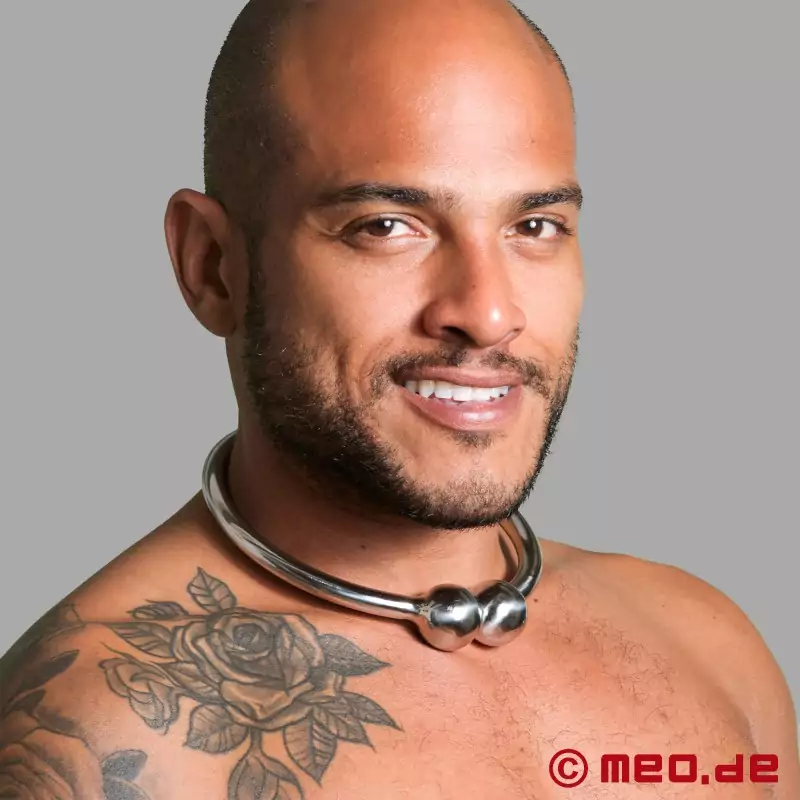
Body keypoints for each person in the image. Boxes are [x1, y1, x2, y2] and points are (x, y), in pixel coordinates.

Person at [1, 0, 797, 797]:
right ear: (212, 266)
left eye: (534, 226)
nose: (489, 313)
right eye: (386, 226)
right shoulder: (98, 740)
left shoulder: (709, 646)